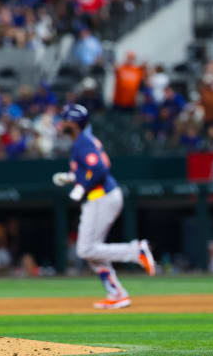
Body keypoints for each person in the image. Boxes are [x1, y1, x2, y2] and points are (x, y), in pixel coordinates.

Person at [52, 104, 156, 309]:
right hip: (101, 197)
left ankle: (136, 251)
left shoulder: (82, 141)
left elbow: (99, 168)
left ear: (73, 123)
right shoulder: (81, 141)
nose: (61, 123)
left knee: (85, 249)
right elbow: (89, 169)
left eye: (64, 120)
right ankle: (116, 293)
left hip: (102, 197)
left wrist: (81, 187)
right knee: (92, 251)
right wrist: (72, 177)